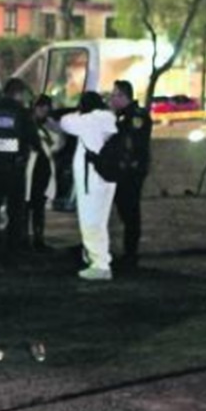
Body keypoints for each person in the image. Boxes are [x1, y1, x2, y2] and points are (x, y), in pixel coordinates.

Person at [0, 77, 40, 264]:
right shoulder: (22, 113)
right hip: (15, 169)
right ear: (18, 94)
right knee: (15, 210)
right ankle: (12, 249)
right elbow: (33, 139)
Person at [60, 91, 118, 281]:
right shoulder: (109, 118)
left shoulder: (87, 121)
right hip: (107, 178)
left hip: (90, 179)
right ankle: (100, 259)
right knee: (100, 221)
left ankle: (99, 264)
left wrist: (78, 113)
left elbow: (64, 122)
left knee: (90, 220)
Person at [108, 80, 152, 273]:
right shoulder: (122, 116)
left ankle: (131, 255)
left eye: (114, 95)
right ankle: (128, 253)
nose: (111, 99)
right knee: (126, 211)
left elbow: (134, 145)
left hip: (131, 172)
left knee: (131, 212)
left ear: (123, 96)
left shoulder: (135, 116)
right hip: (123, 171)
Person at [28, 94, 60, 252]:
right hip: (28, 169)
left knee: (38, 206)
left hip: (42, 169)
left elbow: (59, 141)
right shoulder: (26, 123)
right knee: (25, 206)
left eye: (46, 109)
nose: (43, 112)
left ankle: (38, 239)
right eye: (41, 108)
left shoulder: (49, 125)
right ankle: (23, 238)